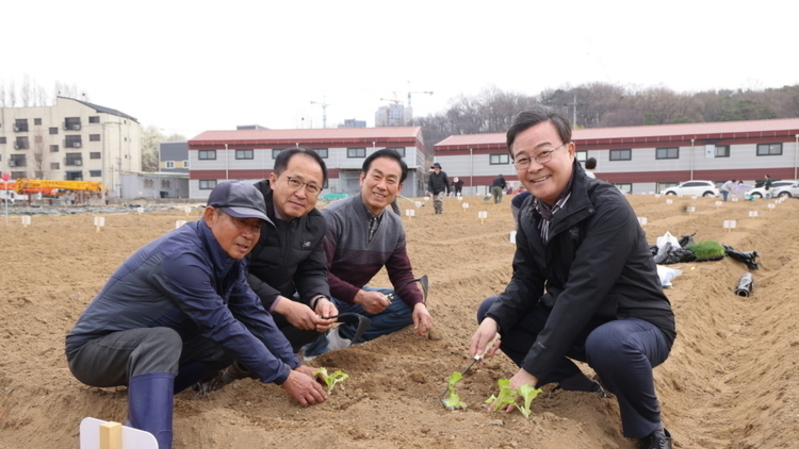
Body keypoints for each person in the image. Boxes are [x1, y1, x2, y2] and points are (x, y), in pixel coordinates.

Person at [65, 181, 327, 449]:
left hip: (137, 348)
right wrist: (283, 376)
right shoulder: (183, 257)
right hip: (93, 351)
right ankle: (151, 441)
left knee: (223, 346)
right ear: (211, 216)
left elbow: (253, 313)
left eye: (256, 227)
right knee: (166, 340)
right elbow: (220, 323)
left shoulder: (230, 259)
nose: (248, 234)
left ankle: (152, 393)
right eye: (240, 222)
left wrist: (292, 364)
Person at [470, 108, 676, 449]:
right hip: (579, 323)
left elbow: (584, 291)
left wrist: (529, 372)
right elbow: (527, 279)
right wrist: (494, 319)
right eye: (522, 159)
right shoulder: (530, 213)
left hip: (634, 323)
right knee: (494, 310)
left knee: (609, 343)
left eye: (544, 153)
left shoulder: (608, 208)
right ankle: (576, 388)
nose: (534, 167)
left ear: (570, 150)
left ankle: (649, 429)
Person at [303, 149, 434, 357]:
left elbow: (401, 274)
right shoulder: (333, 217)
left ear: (399, 188)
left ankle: (341, 339)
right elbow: (316, 275)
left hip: (353, 295)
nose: (382, 186)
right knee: (311, 300)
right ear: (363, 178)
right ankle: (311, 351)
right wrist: (360, 296)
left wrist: (419, 304)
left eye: (391, 180)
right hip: (323, 293)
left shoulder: (394, 225)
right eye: (376, 176)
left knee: (407, 305)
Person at [247, 148, 338, 353]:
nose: (301, 194)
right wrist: (282, 305)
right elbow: (232, 272)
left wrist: (319, 299)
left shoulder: (314, 223)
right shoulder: (247, 211)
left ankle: (247, 366)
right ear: (273, 180)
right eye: (294, 182)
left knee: (314, 323)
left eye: (312, 187)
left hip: (275, 304)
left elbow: (312, 270)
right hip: (233, 301)